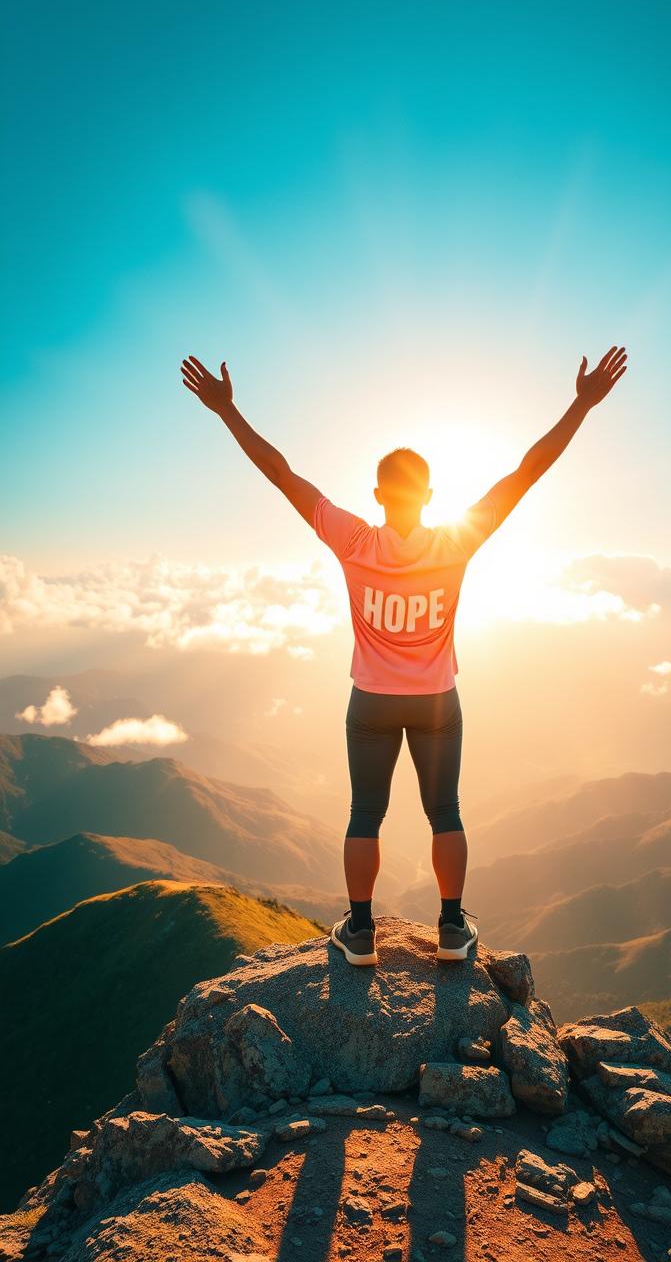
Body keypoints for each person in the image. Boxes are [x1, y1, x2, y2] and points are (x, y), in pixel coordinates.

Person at [181, 346, 627, 966]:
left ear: (378, 494)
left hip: (371, 702)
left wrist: (228, 413)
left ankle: (359, 932)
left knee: (366, 814)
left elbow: (281, 474)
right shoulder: (454, 541)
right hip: (437, 700)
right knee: (445, 810)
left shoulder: (354, 540)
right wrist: (581, 404)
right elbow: (526, 472)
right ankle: (451, 928)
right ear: (429, 494)